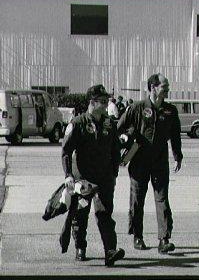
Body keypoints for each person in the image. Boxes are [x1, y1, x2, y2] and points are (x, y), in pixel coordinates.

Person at [117, 73, 183, 254]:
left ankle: (164, 239)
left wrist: (177, 155)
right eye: (164, 86)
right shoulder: (136, 108)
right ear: (153, 87)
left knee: (162, 199)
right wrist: (126, 141)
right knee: (137, 200)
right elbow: (119, 129)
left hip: (160, 161)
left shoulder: (170, 110)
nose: (167, 89)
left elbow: (175, 135)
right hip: (139, 161)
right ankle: (137, 236)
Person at [61, 84, 125, 266]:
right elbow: (66, 151)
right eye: (103, 101)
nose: (106, 104)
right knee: (80, 215)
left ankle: (110, 251)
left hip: (104, 179)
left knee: (105, 214)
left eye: (107, 101)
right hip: (83, 179)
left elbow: (115, 150)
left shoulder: (109, 124)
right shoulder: (78, 123)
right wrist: (68, 175)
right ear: (92, 102)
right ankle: (80, 246)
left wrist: (114, 173)